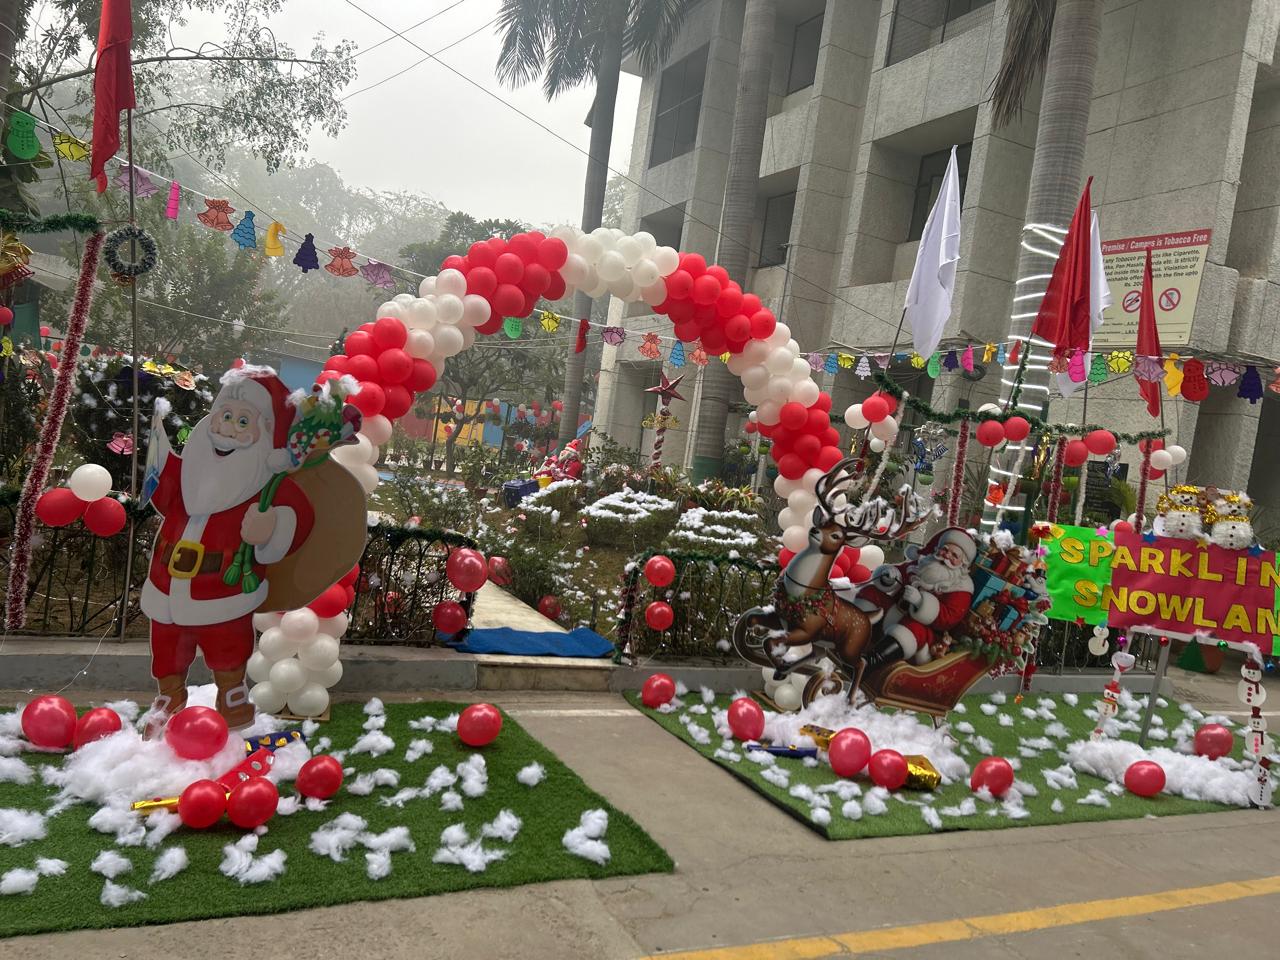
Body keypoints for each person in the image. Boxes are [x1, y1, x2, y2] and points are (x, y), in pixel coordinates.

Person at [141, 365, 315, 731]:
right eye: (225, 415)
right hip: (165, 582)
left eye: (243, 421)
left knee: (227, 642)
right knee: (167, 642)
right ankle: (169, 693)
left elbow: (299, 516)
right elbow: (164, 492)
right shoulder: (191, 468)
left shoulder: (268, 486)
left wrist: (273, 525)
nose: (228, 428)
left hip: (225, 589)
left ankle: (231, 692)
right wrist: (154, 454)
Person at [852, 527, 977, 668]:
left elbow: (948, 618)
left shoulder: (961, 587)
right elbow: (901, 572)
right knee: (871, 593)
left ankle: (869, 663)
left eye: (954, 555)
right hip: (896, 612)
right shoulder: (925, 563)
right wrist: (890, 575)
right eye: (945, 549)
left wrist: (920, 602)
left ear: (963, 562)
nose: (947, 555)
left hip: (921, 634)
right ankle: (852, 635)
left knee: (912, 629)